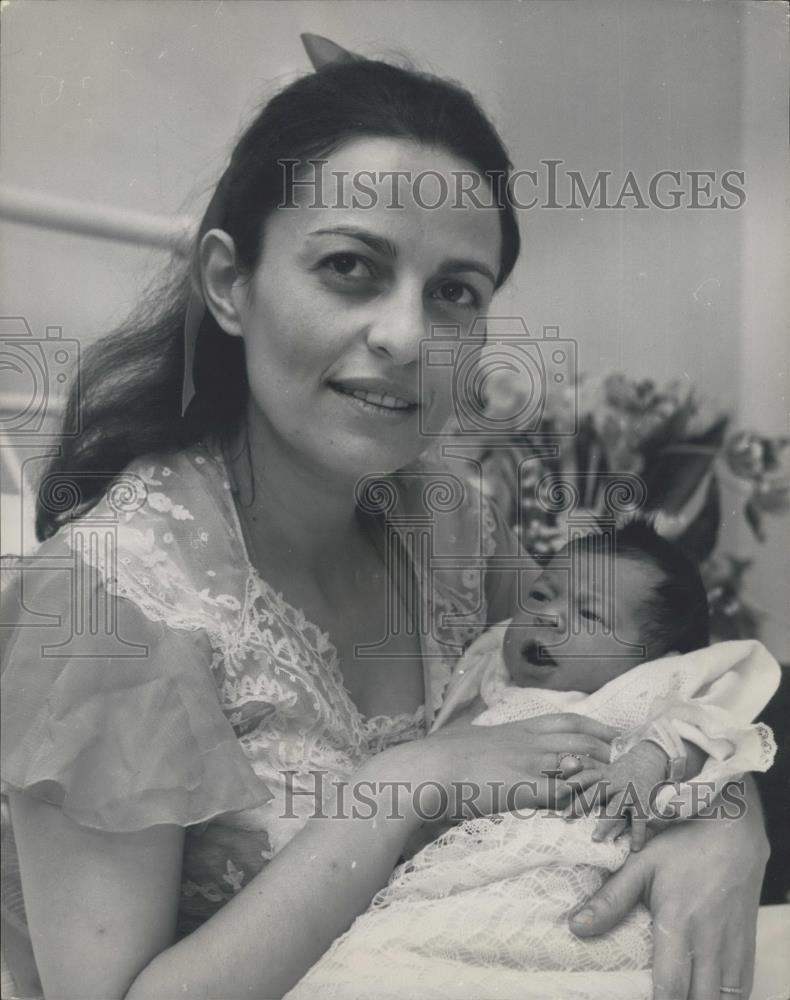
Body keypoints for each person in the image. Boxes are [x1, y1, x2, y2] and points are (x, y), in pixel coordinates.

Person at [0, 38, 771, 1000]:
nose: (408, 338)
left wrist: (726, 821)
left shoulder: (451, 521)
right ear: (229, 284)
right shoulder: (110, 605)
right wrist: (405, 786)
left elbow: (632, 693)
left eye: (455, 292)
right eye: (351, 267)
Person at [284, 521, 778, 999]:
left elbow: (710, 729)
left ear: (656, 658)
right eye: (541, 595)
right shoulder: (489, 679)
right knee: (377, 962)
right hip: (460, 876)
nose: (549, 616)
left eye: (590, 615)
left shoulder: (645, 689)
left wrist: (647, 762)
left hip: (570, 868)